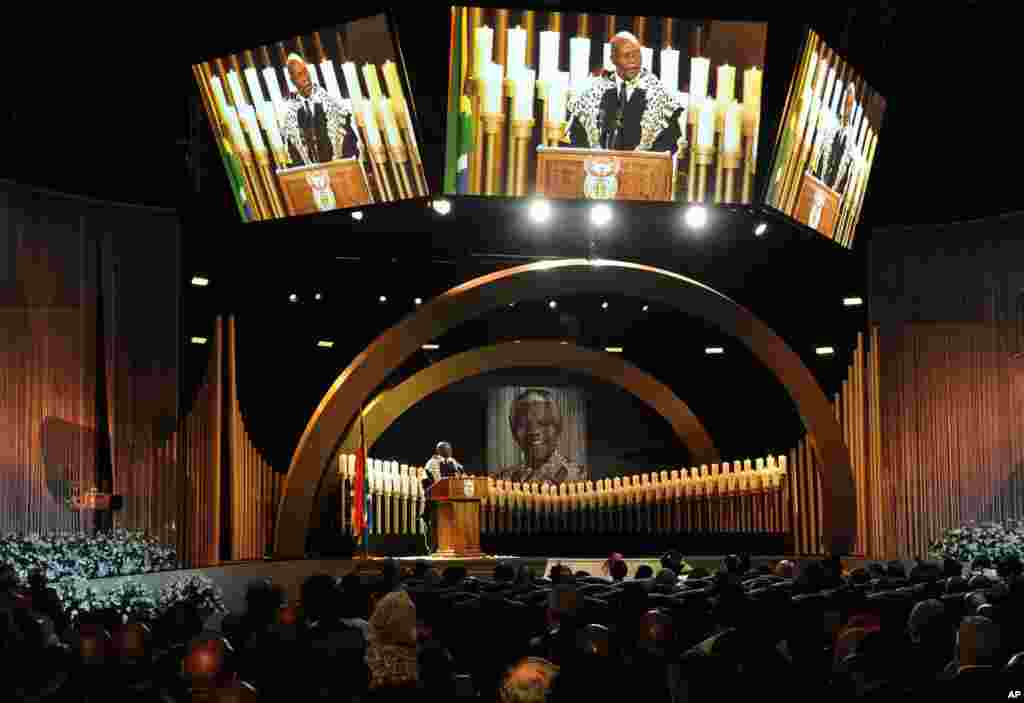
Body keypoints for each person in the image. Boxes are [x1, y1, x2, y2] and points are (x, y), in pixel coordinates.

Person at [565, 32, 685, 154]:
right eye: (627, 55)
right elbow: (577, 138)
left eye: (637, 55)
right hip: (597, 164)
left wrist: (639, 161)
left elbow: (669, 142)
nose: (633, 60)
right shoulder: (592, 94)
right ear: (613, 59)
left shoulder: (658, 96)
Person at [281, 53, 361, 167]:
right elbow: (294, 158)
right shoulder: (291, 118)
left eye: (305, 72)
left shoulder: (332, 105)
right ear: (292, 80)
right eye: (299, 75)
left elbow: (351, 145)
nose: (305, 78)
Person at [494, 389, 588, 484]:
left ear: (558, 428)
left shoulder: (581, 478)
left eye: (544, 423)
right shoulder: (501, 480)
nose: (534, 431)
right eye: (523, 424)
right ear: (513, 431)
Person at [421, 442, 463, 553]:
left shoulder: (452, 461)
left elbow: (460, 472)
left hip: (452, 499)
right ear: (439, 450)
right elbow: (432, 482)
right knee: (435, 526)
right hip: (436, 501)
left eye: (450, 449)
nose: (450, 451)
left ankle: (450, 548)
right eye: (447, 449)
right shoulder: (432, 463)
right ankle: (434, 550)